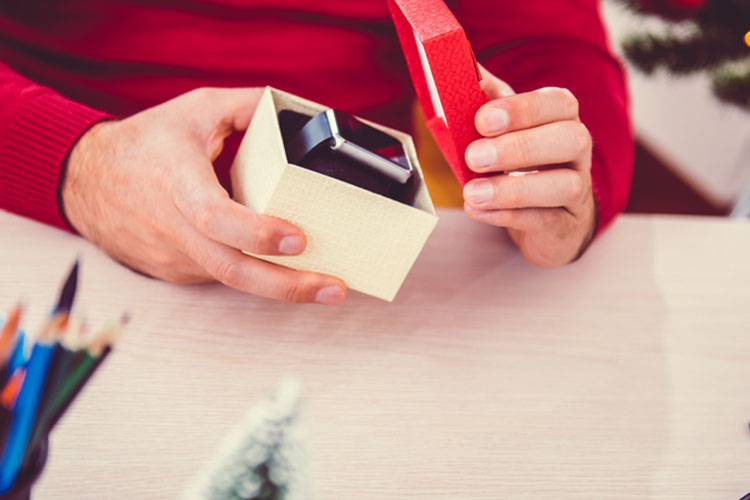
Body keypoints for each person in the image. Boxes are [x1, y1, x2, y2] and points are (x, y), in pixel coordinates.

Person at [0, 1, 633, 305]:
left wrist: (558, 177)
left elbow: (548, 38)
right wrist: (77, 164)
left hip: (343, 252)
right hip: (47, 224)